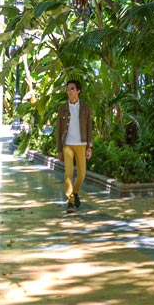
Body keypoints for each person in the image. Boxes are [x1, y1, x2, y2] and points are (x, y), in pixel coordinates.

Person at [58, 78, 94, 209]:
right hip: (67, 144)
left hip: (81, 144)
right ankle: (70, 202)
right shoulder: (62, 109)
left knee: (82, 174)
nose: (69, 91)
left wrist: (89, 147)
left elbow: (89, 128)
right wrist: (59, 150)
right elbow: (59, 131)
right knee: (68, 174)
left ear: (78, 91)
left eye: (72, 89)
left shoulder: (85, 108)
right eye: (68, 89)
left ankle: (75, 191)